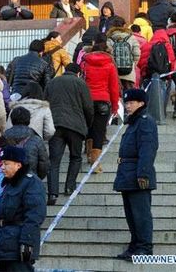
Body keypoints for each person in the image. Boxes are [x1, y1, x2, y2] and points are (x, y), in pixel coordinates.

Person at [114, 89, 158, 260]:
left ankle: (144, 247)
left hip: (137, 174)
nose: (127, 106)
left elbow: (147, 149)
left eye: (131, 102)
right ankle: (135, 245)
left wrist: (143, 174)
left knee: (141, 214)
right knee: (132, 215)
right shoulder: (134, 123)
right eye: (126, 103)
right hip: (127, 175)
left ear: (141, 103)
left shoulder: (145, 122)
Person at [44, 63, 94, 205]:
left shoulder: (52, 82)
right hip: (76, 126)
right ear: (78, 73)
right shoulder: (80, 83)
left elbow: (45, 102)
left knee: (54, 161)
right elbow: (88, 107)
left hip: (55, 125)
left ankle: (52, 193)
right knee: (75, 157)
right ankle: (69, 187)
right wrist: (87, 124)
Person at [0, 146, 47, 272]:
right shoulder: (10, 184)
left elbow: (35, 214)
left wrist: (26, 242)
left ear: (18, 165)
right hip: (6, 246)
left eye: (6, 163)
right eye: (1, 163)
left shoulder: (31, 182)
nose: (2, 167)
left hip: (17, 247)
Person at [81, 33, 120, 173]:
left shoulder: (85, 63)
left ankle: (88, 152)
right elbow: (114, 87)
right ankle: (95, 162)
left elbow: (82, 82)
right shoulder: (109, 65)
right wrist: (115, 106)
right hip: (104, 100)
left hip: (87, 100)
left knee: (90, 127)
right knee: (99, 130)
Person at [3, 107, 49, 180]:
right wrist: (37, 178)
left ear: (12, 119)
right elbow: (44, 163)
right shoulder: (35, 138)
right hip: (30, 179)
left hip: (8, 180)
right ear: (28, 120)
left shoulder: (4, 137)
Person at [107, 17, 141, 91]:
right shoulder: (131, 37)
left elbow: (108, 55)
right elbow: (137, 53)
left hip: (114, 73)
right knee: (129, 96)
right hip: (129, 73)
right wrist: (133, 65)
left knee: (117, 96)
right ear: (124, 25)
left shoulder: (109, 38)